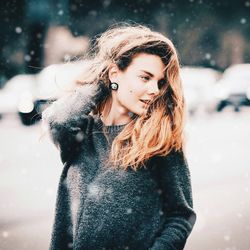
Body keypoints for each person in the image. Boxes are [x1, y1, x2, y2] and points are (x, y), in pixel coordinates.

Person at [42, 23, 196, 250]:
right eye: (145, 78)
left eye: (159, 82)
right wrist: (103, 85)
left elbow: (181, 216)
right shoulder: (81, 134)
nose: (155, 89)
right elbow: (58, 120)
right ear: (115, 73)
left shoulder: (157, 141)